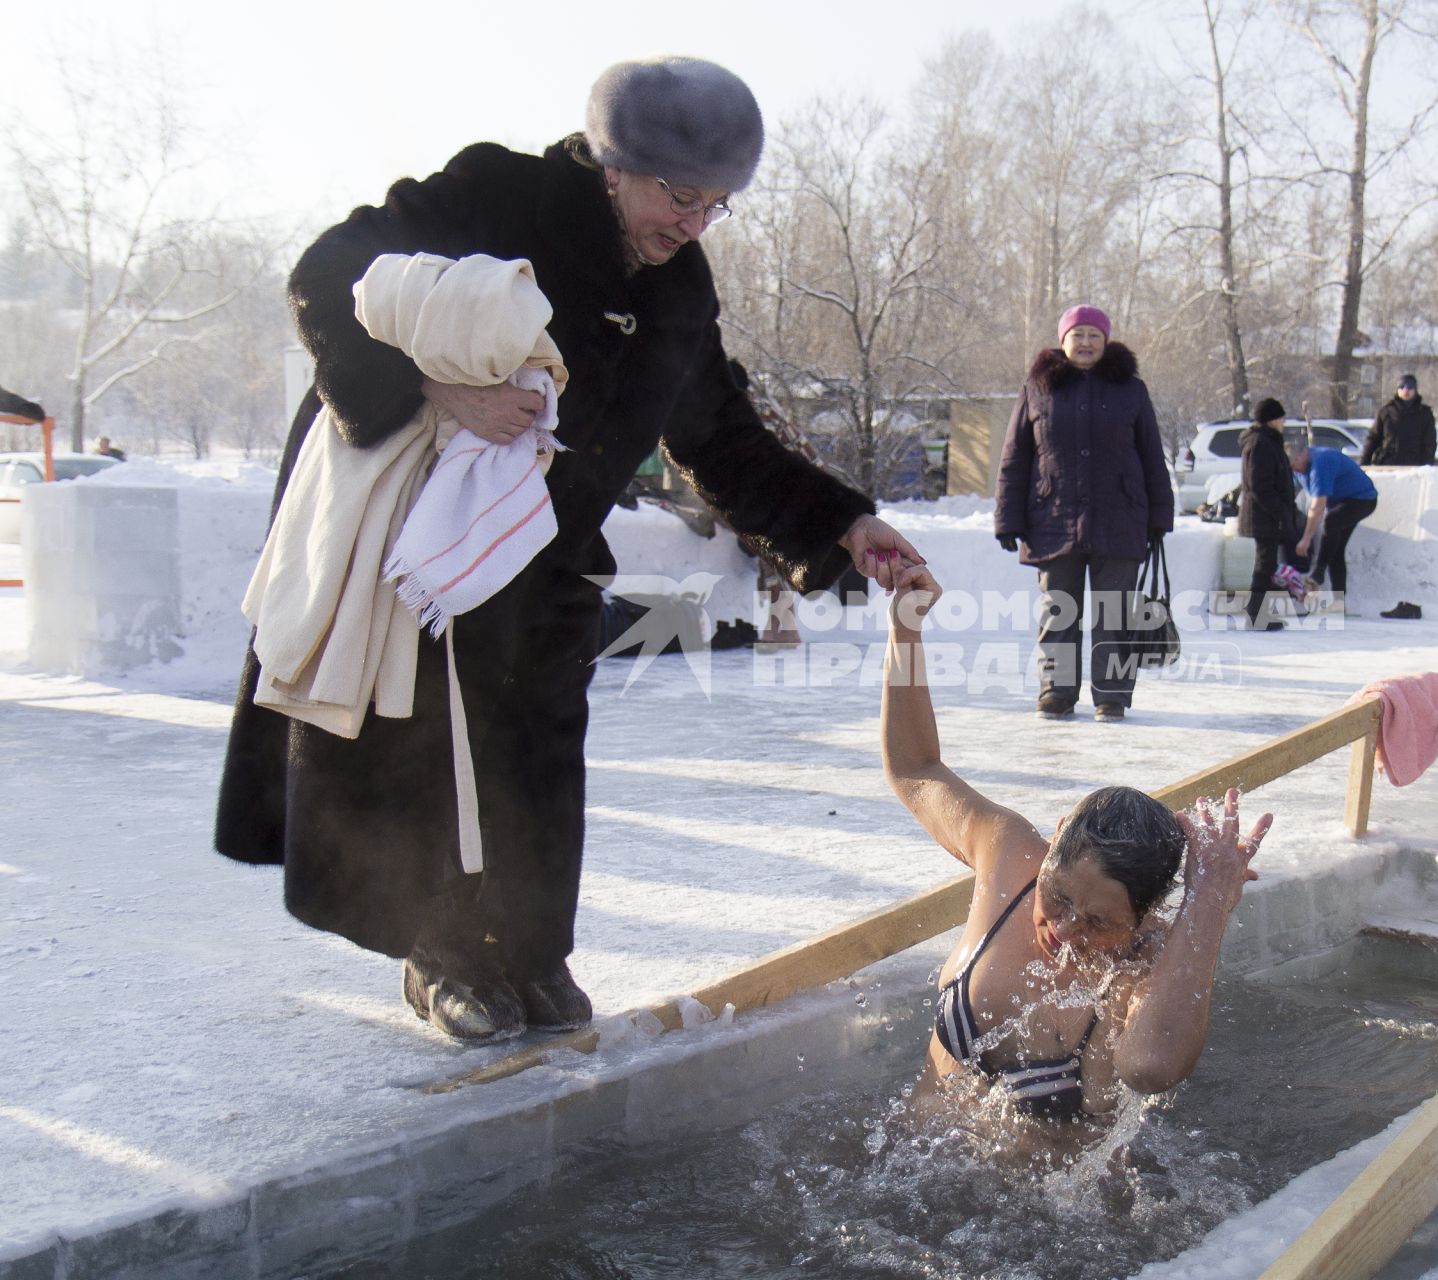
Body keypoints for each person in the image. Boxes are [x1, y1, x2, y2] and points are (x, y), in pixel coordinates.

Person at [214, 57, 924, 1045]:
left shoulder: (679, 290)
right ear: (612, 163)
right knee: (438, 744)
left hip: (544, 540)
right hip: (428, 537)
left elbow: (720, 434)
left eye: (718, 204)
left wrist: (843, 521)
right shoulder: (504, 195)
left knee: (541, 742)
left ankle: (532, 952)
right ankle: (444, 955)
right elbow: (327, 277)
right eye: (681, 195)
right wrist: (435, 391)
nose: (695, 221)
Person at [881, 564, 1267, 1152]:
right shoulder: (1010, 855)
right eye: (1058, 897)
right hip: (904, 1171)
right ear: (1055, 839)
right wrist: (904, 629)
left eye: (1098, 922)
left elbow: (1152, 1067)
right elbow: (915, 768)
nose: (1063, 930)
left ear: (1141, 921)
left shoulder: (1143, 967)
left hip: (1038, 1228)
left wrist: (1209, 901)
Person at [995, 304, 1173, 723]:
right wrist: (1008, 518)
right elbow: (1015, 458)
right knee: (1058, 612)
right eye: (1078, 335)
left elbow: (1152, 456)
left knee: (1114, 613)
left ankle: (1111, 696)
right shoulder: (1038, 388)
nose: (1087, 342)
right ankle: (1056, 691)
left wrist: (1160, 517)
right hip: (1053, 519)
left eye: (1095, 334)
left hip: (1121, 518)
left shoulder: (1130, 388)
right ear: (1063, 341)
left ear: (1106, 340)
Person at [1238, 397, 1303, 630]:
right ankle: (1256, 614)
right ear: (1272, 419)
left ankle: (1259, 611)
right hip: (1264, 515)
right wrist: (1279, 510)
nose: (1284, 422)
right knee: (1264, 565)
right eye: (1281, 417)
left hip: (1268, 514)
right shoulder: (1261, 443)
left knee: (1267, 564)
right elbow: (1260, 485)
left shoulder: (1267, 441)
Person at [1292, 436, 1379, 605]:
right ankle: (1339, 602)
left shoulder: (1321, 463)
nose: (1294, 468)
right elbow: (1291, 491)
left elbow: (1318, 506)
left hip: (1362, 499)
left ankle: (1318, 573)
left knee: (1331, 521)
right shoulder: (1298, 469)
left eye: (1295, 462)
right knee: (1335, 551)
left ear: (1303, 454)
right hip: (1340, 503)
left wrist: (1307, 539)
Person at [1359, 374, 1436, 466]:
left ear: (1415, 389)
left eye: (1410, 386)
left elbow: (1429, 444)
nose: (1406, 390)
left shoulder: (1425, 413)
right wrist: (1363, 463)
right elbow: (1373, 439)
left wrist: (1427, 466)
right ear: (1398, 389)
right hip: (1387, 465)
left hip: (1414, 466)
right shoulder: (1386, 412)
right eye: (1402, 386)